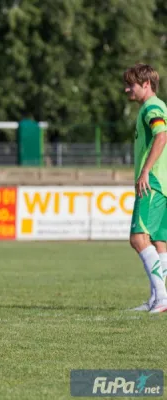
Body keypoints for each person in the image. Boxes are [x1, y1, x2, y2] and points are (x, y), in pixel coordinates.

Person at [124, 63, 167, 313]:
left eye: (131, 84)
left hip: (154, 182)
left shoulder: (152, 106)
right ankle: (157, 298)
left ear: (146, 84)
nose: (127, 89)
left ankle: (161, 298)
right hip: (162, 182)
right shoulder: (156, 106)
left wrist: (145, 171)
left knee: (138, 238)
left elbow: (162, 135)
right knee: (159, 241)